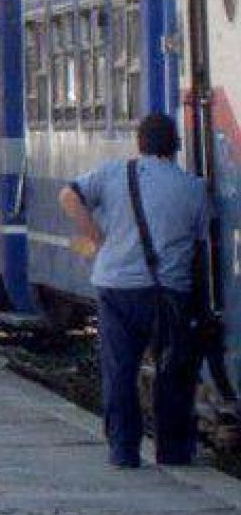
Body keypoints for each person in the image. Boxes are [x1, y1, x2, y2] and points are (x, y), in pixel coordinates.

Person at [59, 112, 210, 468]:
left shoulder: (114, 173)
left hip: (116, 288)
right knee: (171, 372)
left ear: (139, 143)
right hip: (167, 293)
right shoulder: (192, 188)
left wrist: (95, 235)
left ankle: (123, 451)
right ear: (176, 146)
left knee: (120, 371)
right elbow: (201, 243)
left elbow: (68, 195)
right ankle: (172, 451)